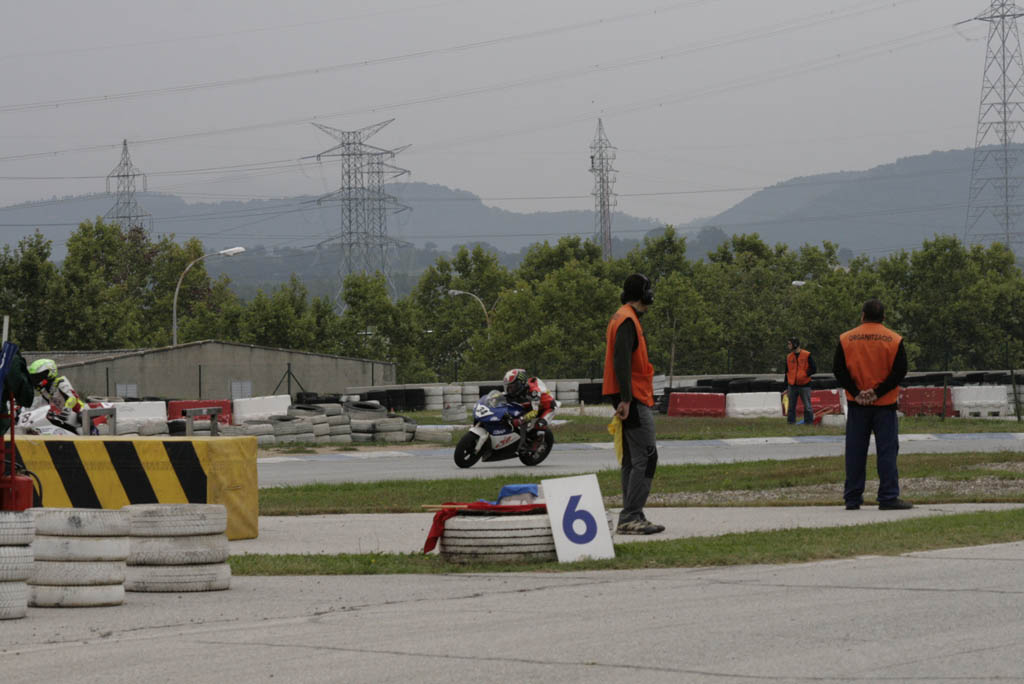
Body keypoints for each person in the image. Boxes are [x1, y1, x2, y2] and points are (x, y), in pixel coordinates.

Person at [833, 299, 911, 511]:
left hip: (857, 405)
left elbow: (838, 370)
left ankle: (852, 498)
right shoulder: (894, 339)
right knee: (887, 452)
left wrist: (857, 392)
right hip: (885, 405)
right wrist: (877, 393)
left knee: (855, 452)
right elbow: (899, 372)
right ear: (883, 317)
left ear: (862, 316)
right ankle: (888, 497)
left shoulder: (846, 339)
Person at [602, 273, 664, 535]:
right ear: (643, 294)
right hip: (633, 397)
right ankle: (630, 516)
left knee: (631, 459)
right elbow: (622, 362)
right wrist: (626, 399)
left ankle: (632, 514)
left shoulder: (622, 317)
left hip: (629, 396)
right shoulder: (627, 320)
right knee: (647, 457)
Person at [501, 368, 556, 452]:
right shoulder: (520, 389)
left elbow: (534, 412)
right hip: (533, 404)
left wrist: (519, 421)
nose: (510, 390)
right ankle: (520, 439)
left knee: (540, 424)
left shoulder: (534, 392)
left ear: (521, 383)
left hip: (547, 407)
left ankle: (538, 442)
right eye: (508, 387)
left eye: (513, 386)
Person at [27, 358, 86, 429]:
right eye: (34, 378)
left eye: (38, 377)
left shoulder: (60, 382)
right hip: (63, 417)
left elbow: (73, 398)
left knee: (81, 417)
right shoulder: (44, 391)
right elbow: (42, 408)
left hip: (78, 412)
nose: (35, 380)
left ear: (50, 373)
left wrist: (67, 408)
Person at [784, 337, 816, 425]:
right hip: (792, 385)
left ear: (795, 344)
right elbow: (787, 372)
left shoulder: (807, 354)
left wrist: (804, 374)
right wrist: (785, 386)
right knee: (791, 406)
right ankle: (791, 422)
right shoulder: (789, 357)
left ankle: (808, 422)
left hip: (805, 385)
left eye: (789, 344)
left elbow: (814, 369)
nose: (788, 346)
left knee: (807, 406)